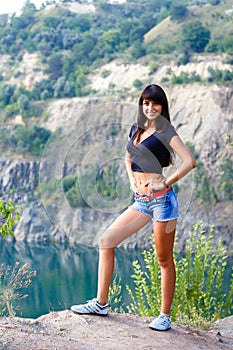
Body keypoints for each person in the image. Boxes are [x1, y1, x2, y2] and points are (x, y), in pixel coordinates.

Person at [71, 84, 196, 331]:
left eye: (155, 103)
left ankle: (164, 316)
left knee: (164, 259)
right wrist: (131, 179)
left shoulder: (166, 131)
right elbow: (128, 155)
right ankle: (101, 303)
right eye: (146, 103)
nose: (150, 108)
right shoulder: (136, 128)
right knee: (106, 241)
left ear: (162, 106)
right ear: (141, 104)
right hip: (141, 202)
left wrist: (165, 182)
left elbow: (189, 162)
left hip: (163, 203)